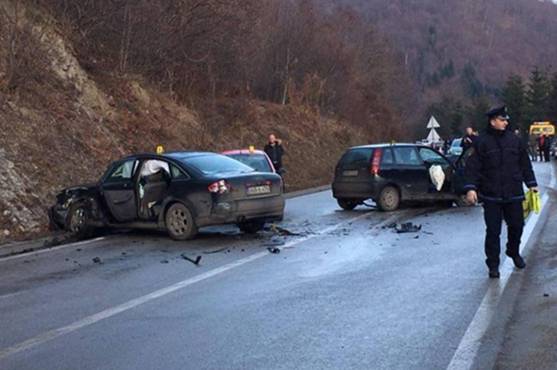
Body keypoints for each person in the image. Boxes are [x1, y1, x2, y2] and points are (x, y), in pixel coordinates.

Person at [463, 105, 538, 278]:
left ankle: (513, 251)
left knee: (517, 226)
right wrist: (471, 188)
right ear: (492, 121)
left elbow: (525, 164)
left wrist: (531, 183)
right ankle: (493, 265)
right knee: (493, 232)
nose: (505, 122)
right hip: (491, 194)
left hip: (513, 192)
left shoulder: (514, 140)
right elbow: (472, 167)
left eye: (506, 120)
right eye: (502, 120)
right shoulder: (482, 142)